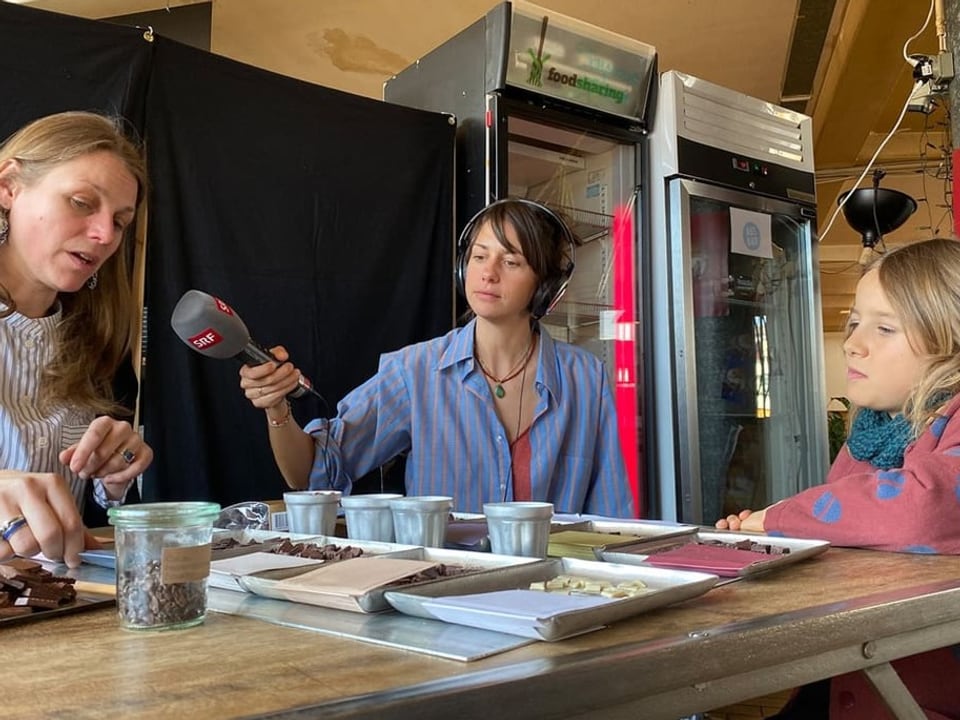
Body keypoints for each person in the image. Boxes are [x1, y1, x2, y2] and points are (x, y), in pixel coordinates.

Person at [240, 198, 633, 516]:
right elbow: (311, 473)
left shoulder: (586, 378)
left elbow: (612, 518)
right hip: (444, 596)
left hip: (556, 596)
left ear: (546, 287)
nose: (489, 273)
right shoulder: (415, 371)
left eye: (510, 261)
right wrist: (277, 409)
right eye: (479, 257)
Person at [716, 237, 960, 720]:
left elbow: (922, 511)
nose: (853, 342)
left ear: (948, 341)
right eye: (853, 322)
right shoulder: (872, 433)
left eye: (884, 327)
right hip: (856, 679)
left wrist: (777, 520)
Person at [0, 111, 153, 568]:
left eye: (121, 221)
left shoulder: (97, 342)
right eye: (82, 202)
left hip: (61, 614)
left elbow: (91, 520)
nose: (105, 235)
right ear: (9, 187)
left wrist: (117, 475)